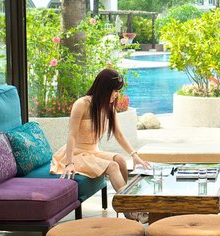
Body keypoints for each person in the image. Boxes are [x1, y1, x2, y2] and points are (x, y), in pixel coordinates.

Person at [51, 68, 150, 219]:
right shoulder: (82, 104)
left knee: (121, 160)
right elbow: (71, 136)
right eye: (114, 91)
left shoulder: (108, 106)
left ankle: (126, 208)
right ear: (104, 88)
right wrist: (69, 163)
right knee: (112, 166)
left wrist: (134, 155)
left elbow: (118, 134)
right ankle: (131, 208)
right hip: (76, 154)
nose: (116, 95)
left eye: (118, 91)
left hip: (93, 152)